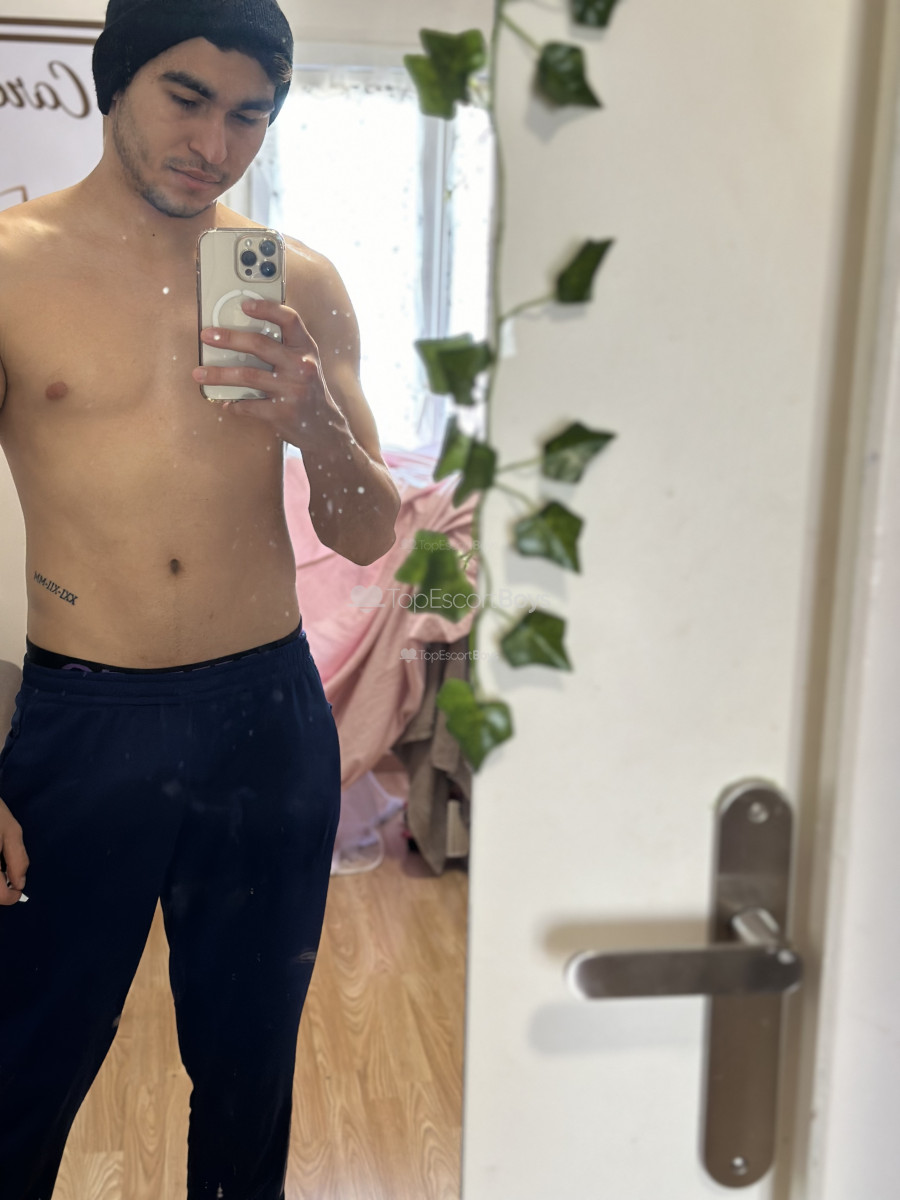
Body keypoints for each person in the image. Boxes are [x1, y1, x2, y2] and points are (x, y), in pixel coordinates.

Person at [0, 0, 400, 1196]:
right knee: (24, 1060)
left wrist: (315, 422)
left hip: (263, 717)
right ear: (116, 79)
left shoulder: (300, 282)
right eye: (187, 98)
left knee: (248, 1069)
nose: (214, 144)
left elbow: (369, 529)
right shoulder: (11, 273)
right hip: (85, 718)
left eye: (249, 116)